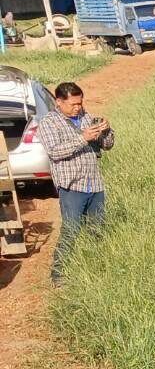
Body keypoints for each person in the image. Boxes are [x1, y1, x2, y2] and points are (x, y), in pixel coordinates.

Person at [37, 81, 113, 283]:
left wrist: (106, 131)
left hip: (95, 184)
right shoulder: (49, 123)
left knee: (98, 230)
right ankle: (59, 275)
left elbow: (107, 146)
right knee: (71, 231)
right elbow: (55, 151)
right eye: (73, 104)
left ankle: (96, 270)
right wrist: (83, 138)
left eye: (80, 103)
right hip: (72, 186)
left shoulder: (86, 117)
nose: (78, 107)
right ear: (59, 102)